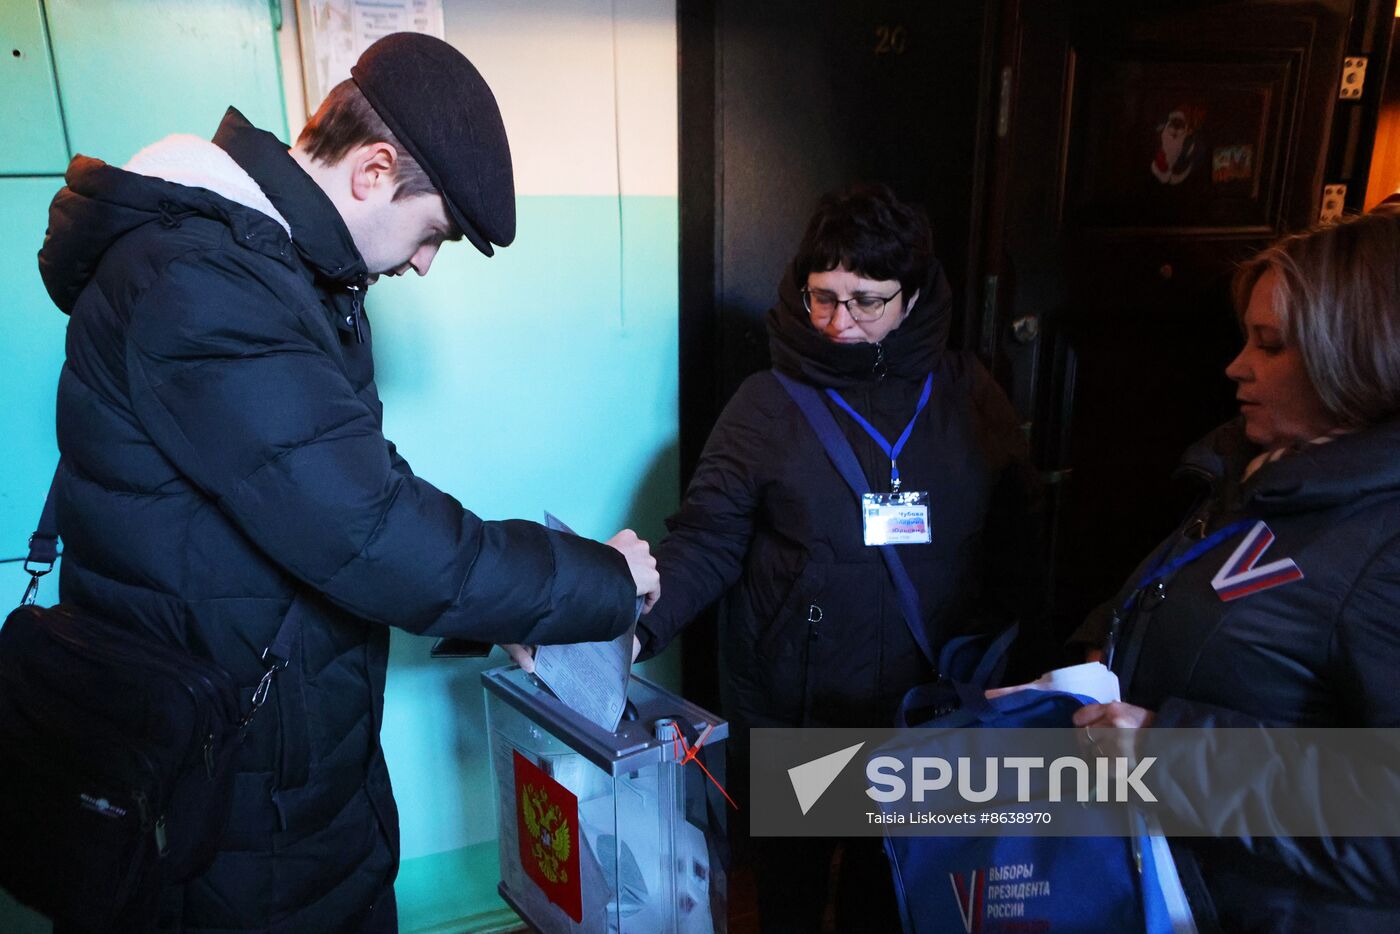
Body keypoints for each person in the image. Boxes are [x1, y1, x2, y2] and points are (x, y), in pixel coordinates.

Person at [36, 32, 658, 933]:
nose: (422, 264)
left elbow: (340, 514)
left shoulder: (278, 270)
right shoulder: (204, 281)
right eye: (434, 233)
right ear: (373, 170)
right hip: (220, 808)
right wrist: (595, 582)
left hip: (268, 770)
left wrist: (517, 617)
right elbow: (376, 535)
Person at [634, 183, 1044, 932]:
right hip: (802, 711)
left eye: (867, 300)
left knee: (892, 895)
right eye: (822, 297)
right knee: (789, 895)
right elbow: (706, 540)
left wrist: (1024, 681)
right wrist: (632, 629)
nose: (839, 324)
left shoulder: (969, 394)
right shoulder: (765, 403)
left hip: (929, 710)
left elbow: (1019, 545)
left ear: (913, 298)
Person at [1071, 208, 1400, 932]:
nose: (1236, 366)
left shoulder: (1385, 547)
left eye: (1270, 344)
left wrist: (1172, 754)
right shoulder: (1257, 473)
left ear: (1359, 357)